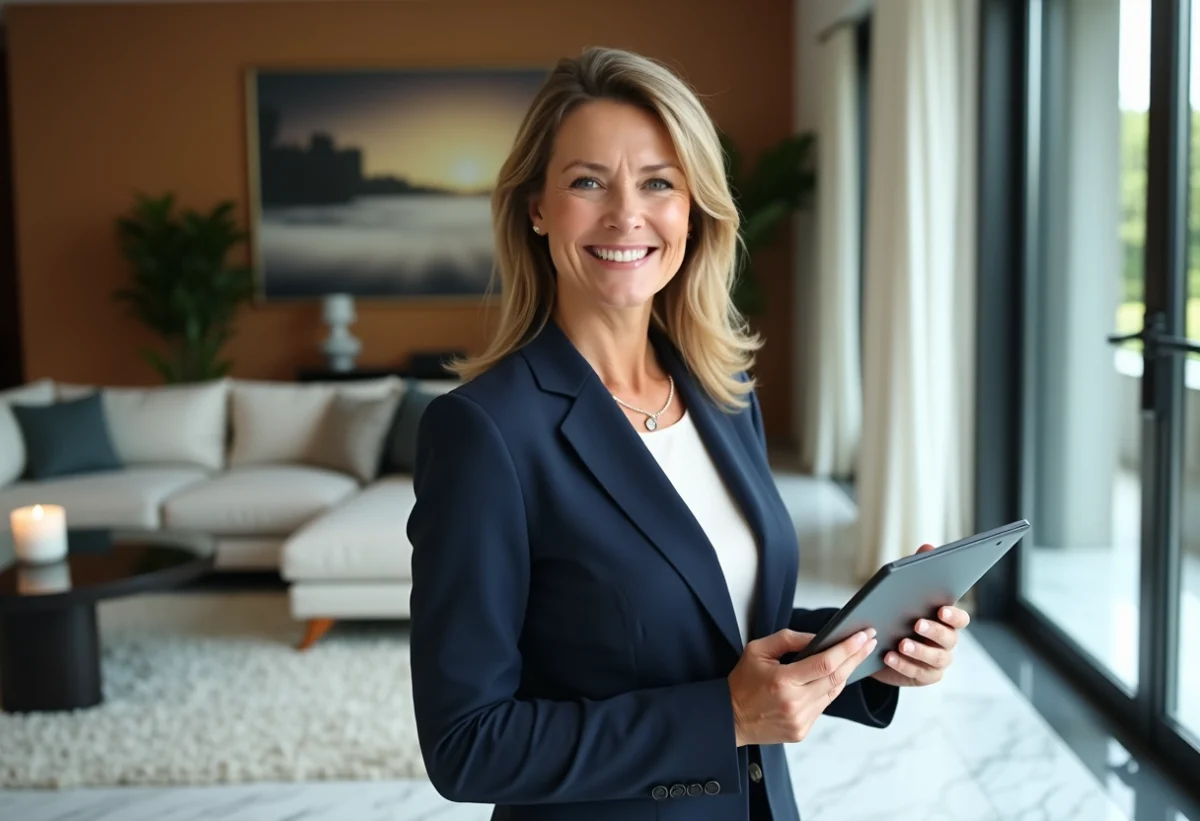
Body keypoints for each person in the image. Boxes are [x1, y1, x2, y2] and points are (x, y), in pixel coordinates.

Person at [405, 46, 969, 821]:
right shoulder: (483, 433)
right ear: (535, 207)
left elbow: (725, 625)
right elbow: (466, 743)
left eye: (658, 182)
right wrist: (724, 717)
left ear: (694, 208)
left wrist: (873, 651)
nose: (625, 214)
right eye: (586, 181)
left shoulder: (722, 394)